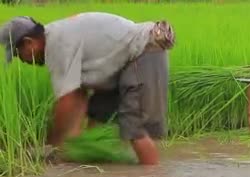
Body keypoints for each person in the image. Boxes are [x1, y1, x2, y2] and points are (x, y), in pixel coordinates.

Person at [0, 12, 176, 165]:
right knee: (95, 115)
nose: (21, 60)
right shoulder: (57, 36)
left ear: (29, 43)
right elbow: (78, 96)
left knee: (135, 129)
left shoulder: (57, 45)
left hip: (144, 51)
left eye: (17, 53)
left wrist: (53, 143)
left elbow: (66, 101)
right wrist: (70, 145)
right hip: (122, 65)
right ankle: (89, 162)